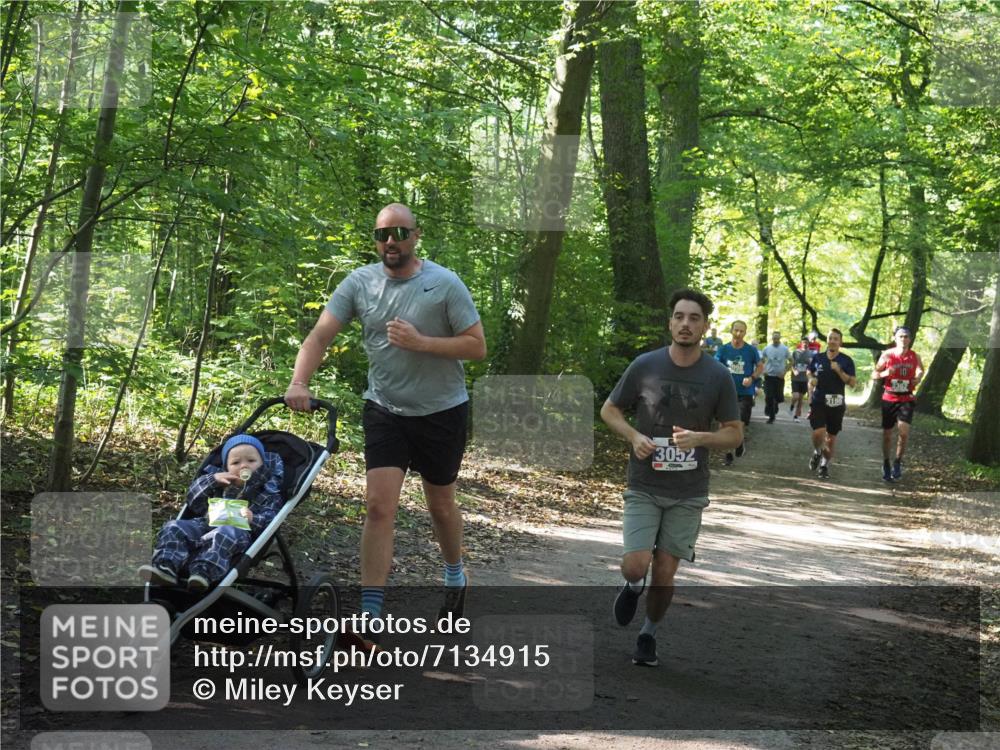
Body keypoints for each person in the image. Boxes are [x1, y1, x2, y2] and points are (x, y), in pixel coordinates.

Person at [285, 203, 486, 640]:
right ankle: (370, 614)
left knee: (440, 504)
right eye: (381, 235)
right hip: (385, 409)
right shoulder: (359, 283)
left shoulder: (444, 283)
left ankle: (455, 576)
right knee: (379, 507)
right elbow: (320, 335)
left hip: (442, 411)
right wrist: (299, 382)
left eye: (398, 233)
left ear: (416, 235)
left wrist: (422, 342)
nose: (390, 241)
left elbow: (476, 347)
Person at [601, 288, 741, 667]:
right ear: (670, 322)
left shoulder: (717, 375)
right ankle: (632, 586)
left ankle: (648, 634)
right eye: (679, 316)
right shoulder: (645, 365)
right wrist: (633, 436)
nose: (685, 324)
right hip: (645, 483)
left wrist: (702, 439)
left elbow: (735, 432)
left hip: (689, 490)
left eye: (694, 318)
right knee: (636, 564)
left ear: (705, 327)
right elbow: (610, 409)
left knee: (664, 573)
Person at [139, 435, 285, 592]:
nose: (244, 466)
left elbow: (271, 519)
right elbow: (193, 501)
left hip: (238, 531)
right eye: (236, 462)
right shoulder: (219, 482)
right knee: (174, 526)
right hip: (204, 524)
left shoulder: (269, 490)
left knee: (224, 533)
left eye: (251, 461)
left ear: (262, 463)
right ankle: (165, 565)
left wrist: (253, 518)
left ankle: (203, 572)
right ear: (226, 466)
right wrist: (212, 480)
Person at [872, 326, 924, 481]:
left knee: (903, 433)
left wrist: (918, 377)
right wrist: (885, 373)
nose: (904, 339)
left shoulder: (915, 356)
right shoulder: (887, 355)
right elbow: (874, 374)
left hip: (906, 398)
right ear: (895, 338)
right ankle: (886, 463)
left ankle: (897, 462)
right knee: (887, 435)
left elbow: (921, 370)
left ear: (910, 339)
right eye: (901, 336)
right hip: (889, 398)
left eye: (906, 336)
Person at [806, 329, 857, 479]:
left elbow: (852, 383)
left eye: (836, 339)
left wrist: (839, 371)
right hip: (819, 400)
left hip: (837, 402)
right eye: (830, 338)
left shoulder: (846, 361)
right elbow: (809, 372)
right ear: (827, 341)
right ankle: (817, 451)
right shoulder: (818, 358)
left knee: (831, 438)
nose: (833, 341)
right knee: (818, 433)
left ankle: (824, 465)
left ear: (840, 342)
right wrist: (811, 379)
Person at [714, 320, 762, 464]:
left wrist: (752, 378)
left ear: (745, 333)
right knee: (724, 425)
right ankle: (728, 454)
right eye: (736, 330)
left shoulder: (750, 350)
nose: (738, 333)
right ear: (731, 331)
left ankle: (739, 442)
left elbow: (760, 367)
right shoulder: (723, 350)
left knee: (740, 423)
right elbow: (715, 367)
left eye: (741, 331)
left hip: (745, 392)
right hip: (726, 392)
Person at [761, 331, 792, 423]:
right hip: (769, 376)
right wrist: (763, 370)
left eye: (777, 338)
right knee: (769, 396)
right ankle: (772, 417)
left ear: (780, 338)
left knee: (778, 397)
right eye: (774, 338)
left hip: (779, 377)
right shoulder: (767, 349)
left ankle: (775, 405)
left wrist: (785, 372)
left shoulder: (785, 349)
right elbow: (761, 361)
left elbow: (791, 361)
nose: (775, 340)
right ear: (772, 338)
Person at [789, 336, 811, 420]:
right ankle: (792, 405)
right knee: (796, 396)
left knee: (801, 399)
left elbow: (812, 366)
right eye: (803, 342)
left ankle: (796, 416)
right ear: (801, 343)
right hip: (795, 378)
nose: (805, 344)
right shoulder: (795, 352)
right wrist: (794, 370)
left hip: (805, 379)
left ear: (808, 344)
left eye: (806, 343)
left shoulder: (810, 354)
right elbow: (791, 363)